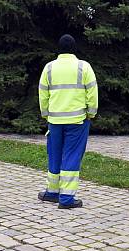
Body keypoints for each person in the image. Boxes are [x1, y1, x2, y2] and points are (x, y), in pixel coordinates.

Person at [38, 35, 98, 209]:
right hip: (77, 121)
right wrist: (91, 113)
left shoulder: (49, 68)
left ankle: (52, 192)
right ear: (74, 49)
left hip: (55, 120)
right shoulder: (83, 67)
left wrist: (46, 115)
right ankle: (66, 198)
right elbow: (92, 92)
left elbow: (43, 93)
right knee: (71, 156)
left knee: (54, 154)